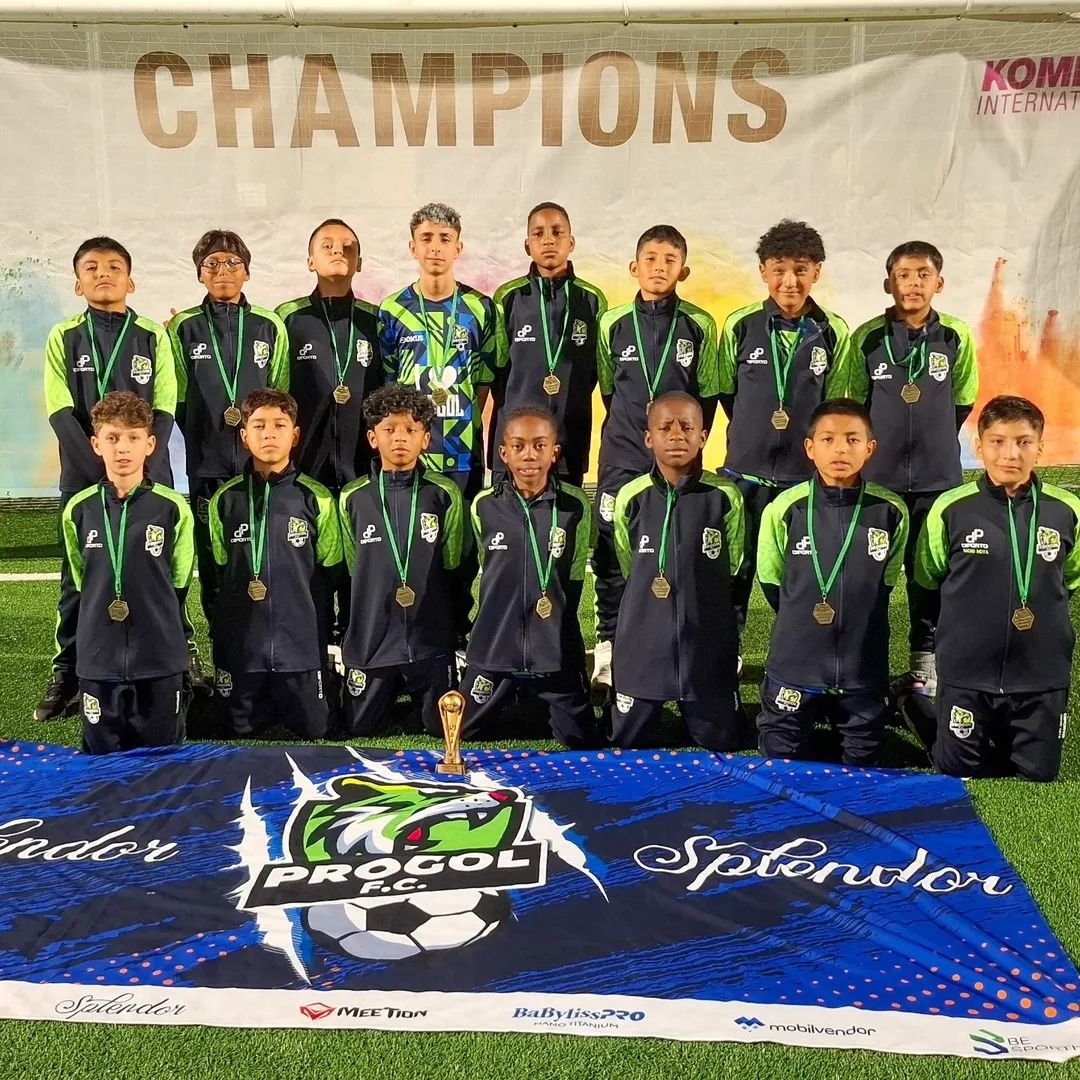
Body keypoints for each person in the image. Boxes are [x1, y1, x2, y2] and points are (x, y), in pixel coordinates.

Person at [37, 237, 177, 723]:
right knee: (79, 579)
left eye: (115, 267)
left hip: (147, 478)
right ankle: (68, 671)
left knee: (158, 574)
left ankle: (176, 663)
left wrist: (136, 466)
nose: (104, 274)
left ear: (131, 281)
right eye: (92, 267)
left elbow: (165, 407)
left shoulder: (152, 336)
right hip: (84, 479)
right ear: (78, 284)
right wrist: (103, 469)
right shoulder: (64, 336)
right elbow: (59, 409)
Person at [913, 396, 1080, 782]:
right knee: (957, 771)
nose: (1010, 454)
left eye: (1023, 442)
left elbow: (1070, 578)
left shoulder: (1066, 509)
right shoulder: (951, 507)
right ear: (979, 446)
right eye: (998, 441)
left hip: (1040, 673)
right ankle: (914, 703)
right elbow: (928, 580)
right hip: (967, 672)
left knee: (1038, 776)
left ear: (1040, 446)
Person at [591, 225, 719, 699]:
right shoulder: (612, 323)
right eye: (650, 258)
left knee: (677, 551)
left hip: (678, 462)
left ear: (683, 270)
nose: (659, 267)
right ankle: (608, 646)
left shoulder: (700, 325)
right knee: (610, 551)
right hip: (622, 456)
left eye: (669, 260)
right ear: (634, 266)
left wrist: (682, 444)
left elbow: (707, 394)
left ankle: (675, 643)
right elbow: (610, 390)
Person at [848, 241, 978, 695]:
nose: (914, 283)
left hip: (936, 481)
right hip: (877, 483)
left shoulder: (956, 336)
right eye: (904, 275)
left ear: (939, 283)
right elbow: (854, 406)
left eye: (924, 274)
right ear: (889, 283)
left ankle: (925, 663)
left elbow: (962, 400)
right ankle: (862, 664)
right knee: (868, 575)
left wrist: (932, 443)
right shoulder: (867, 338)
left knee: (929, 577)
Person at [718, 219, 854, 634]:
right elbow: (726, 395)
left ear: (817, 272)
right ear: (763, 271)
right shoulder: (740, 325)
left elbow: (833, 408)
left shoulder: (834, 331)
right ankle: (729, 652)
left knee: (803, 572)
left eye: (801, 269)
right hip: (745, 475)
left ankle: (803, 648)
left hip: (803, 479)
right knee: (734, 571)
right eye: (779, 269)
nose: (790, 281)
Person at [756, 398, 908, 766]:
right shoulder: (784, 508)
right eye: (828, 439)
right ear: (810, 448)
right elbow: (772, 581)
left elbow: (886, 584)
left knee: (864, 765)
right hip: (795, 665)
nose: (840, 449)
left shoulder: (891, 511)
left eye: (853, 439)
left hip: (862, 668)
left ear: (870, 448)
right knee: (779, 760)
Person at [378, 203, 494, 647]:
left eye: (445, 239)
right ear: (412, 247)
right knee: (411, 548)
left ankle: (457, 637)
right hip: (411, 456)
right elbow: (390, 385)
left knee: (461, 554)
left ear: (458, 248)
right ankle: (411, 639)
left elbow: (484, 381)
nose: (435, 247)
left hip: (462, 452)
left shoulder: (480, 308)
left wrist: (457, 419)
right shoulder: (393, 310)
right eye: (426, 238)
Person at [169, 229, 289, 637]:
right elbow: (178, 400)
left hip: (262, 466)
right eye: (212, 263)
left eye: (233, 262)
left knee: (266, 551)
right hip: (208, 465)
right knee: (214, 557)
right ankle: (223, 644)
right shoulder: (183, 327)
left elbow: (280, 396)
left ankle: (273, 640)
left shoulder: (269, 325)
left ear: (247, 272)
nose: (223, 270)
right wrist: (204, 440)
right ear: (199, 274)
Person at [609, 392, 744, 750]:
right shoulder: (631, 496)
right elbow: (627, 563)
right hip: (643, 646)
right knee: (628, 743)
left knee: (723, 741)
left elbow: (732, 564)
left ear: (703, 437)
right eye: (665, 427)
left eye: (687, 427)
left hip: (704, 648)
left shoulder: (725, 496)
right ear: (648, 437)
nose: (676, 435)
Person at [276, 218, 385, 661]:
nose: (338, 251)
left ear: (360, 262)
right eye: (327, 245)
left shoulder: (376, 321)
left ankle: (360, 656)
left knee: (362, 566)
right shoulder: (287, 319)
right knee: (311, 567)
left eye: (348, 246)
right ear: (309, 260)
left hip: (362, 468)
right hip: (307, 467)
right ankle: (315, 655)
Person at [60, 392, 193, 754]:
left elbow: (179, 581)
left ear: (150, 444)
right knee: (102, 764)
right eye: (112, 437)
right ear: (96, 444)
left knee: (164, 761)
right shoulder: (78, 509)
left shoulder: (173, 508)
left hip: (160, 660)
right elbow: (77, 582)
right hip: (98, 663)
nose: (122, 448)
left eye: (133, 437)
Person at [207, 389, 341, 739]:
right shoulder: (225, 500)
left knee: (316, 729)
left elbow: (330, 568)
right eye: (259, 425)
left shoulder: (317, 498)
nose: (269, 433)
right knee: (236, 731)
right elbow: (220, 569)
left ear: (295, 435)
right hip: (245, 648)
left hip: (300, 646)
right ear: (244, 436)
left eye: (279, 425)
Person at [463, 406, 598, 747]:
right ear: (503, 453)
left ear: (554, 452)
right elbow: (482, 568)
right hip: (494, 645)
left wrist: (555, 630)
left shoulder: (575, 505)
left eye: (539, 445)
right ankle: (515, 695)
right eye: (518, 446)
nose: (529, 455)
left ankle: (536, 697)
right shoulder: (483, 505)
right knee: (459, 731)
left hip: (554, 650)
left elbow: (574, 579)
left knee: (581, 738)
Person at [337, 384, 464, 737]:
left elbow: (454, 565)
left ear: (426, 439)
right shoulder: (352, 497)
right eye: (389, 429)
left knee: (440, 728)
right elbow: (352, 569)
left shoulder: (444, 494)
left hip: (429, 640)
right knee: (359, 728)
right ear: (372, 438)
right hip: (372, 641)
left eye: (410, 429)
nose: (400, 438)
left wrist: (453, 629)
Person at [489, 202, 607, 485]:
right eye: (539, 233)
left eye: (557, 232)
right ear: (527, 245)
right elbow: (497, 369)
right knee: (508, 513)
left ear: (571, 242)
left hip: (569, 436)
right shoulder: (508, 297)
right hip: (515, 442)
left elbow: (595, 372)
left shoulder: (592, 300)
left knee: (565, 512)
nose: (549, 240)